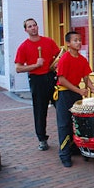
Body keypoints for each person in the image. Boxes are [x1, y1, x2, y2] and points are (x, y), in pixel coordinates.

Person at [15, 18, 60, 151]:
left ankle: (68, 137)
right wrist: (35, 65)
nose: (33, 28)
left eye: (35, 25)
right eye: (30, 26)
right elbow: (18, 68)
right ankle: (42, 139)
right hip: (36, 80)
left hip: (51, 78)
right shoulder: (23, 47)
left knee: (61, 107)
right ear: (26, 30)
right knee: (40, 111)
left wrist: (57, 63)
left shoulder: (48, 41)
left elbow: (59, 56)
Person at [55, 31, 94, 167]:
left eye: (80, 40)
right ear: (68, 43)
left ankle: (74, 148)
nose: (78, 42)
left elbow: (86, 76)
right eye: (75, 40)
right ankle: (64, 155)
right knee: (64, 124)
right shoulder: (65, 59)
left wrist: (92, 88)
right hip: (64, 94)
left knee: (76, 123)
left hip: (75, 93)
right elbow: (61, 80)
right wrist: (79, 90)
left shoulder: (82, 59)